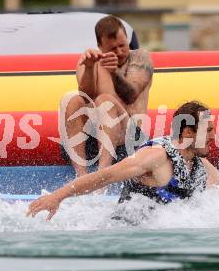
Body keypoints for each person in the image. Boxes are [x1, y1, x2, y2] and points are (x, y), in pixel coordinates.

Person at [28, 101, 219, 221]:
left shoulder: (207, 172)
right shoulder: (156, 156)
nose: (214, 136)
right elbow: (105, 176)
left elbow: (207, 213)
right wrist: (57, 197)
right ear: (188, 132)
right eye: (209, 130)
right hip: (124, 234)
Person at [61, 15, 153, 177]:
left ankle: (101, 176)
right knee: (71, 99)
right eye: (112, 49)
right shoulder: (91, 60)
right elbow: (85, 96)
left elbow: (131, 95)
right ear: (100, 46)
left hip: (130, 141)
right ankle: (81, 176)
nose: (119, 52)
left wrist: (114, 73)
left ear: (127, 39)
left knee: (105, 101)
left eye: (122, 45)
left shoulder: (140, 58)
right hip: (95, 141)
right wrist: (89, 68)